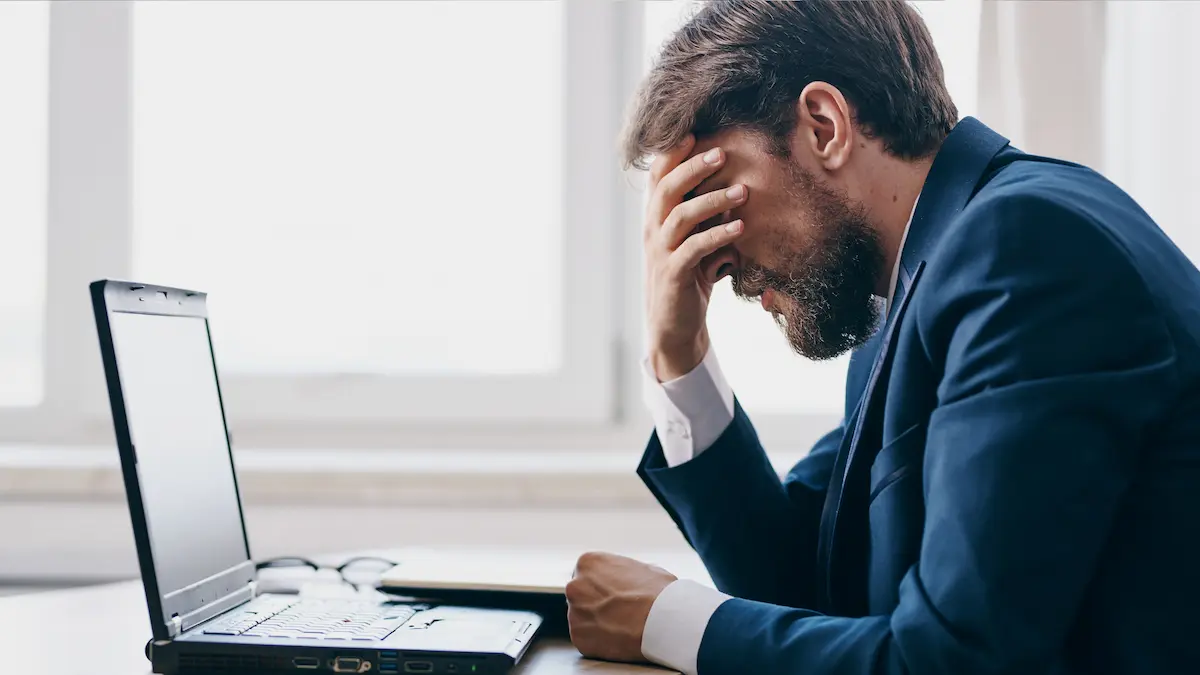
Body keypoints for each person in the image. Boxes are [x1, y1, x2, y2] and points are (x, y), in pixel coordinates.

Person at [563, 2, 1200, 674]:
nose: (717, 264)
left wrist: (666, 618)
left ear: (825, 127)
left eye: (718, 198)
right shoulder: (925, 275)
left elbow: (955, 659)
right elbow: (804, 583)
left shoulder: (1024, 250)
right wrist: (679, 353)